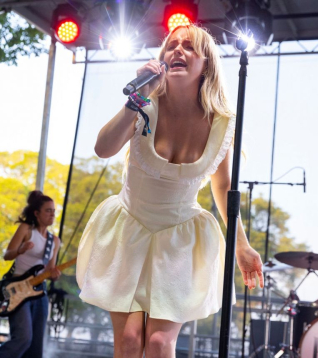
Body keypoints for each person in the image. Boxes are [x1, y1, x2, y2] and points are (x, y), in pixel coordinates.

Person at [76, 24, 264, 357]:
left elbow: (222, 185)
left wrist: (241, 247)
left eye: (189, 47)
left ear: (205, 64)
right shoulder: (143, 104)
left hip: (180, 237)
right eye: (171, 46)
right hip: (129, 227)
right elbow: (103, 149)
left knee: (161, 343)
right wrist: (137, 97)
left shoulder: (221, 123)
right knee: (131, 340)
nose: (178, 50)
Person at [0, 190, 61, 358]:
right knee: (23, 338)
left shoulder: (55, 241)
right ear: (36, 213)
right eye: (48, 210)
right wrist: (20, 250)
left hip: (39, 292)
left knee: (36, 345)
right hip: (18, 289)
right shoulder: (26, 229)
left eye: (53, 210)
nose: (52, 214)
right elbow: (7, 255)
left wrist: (54, 274)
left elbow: (49, 269)